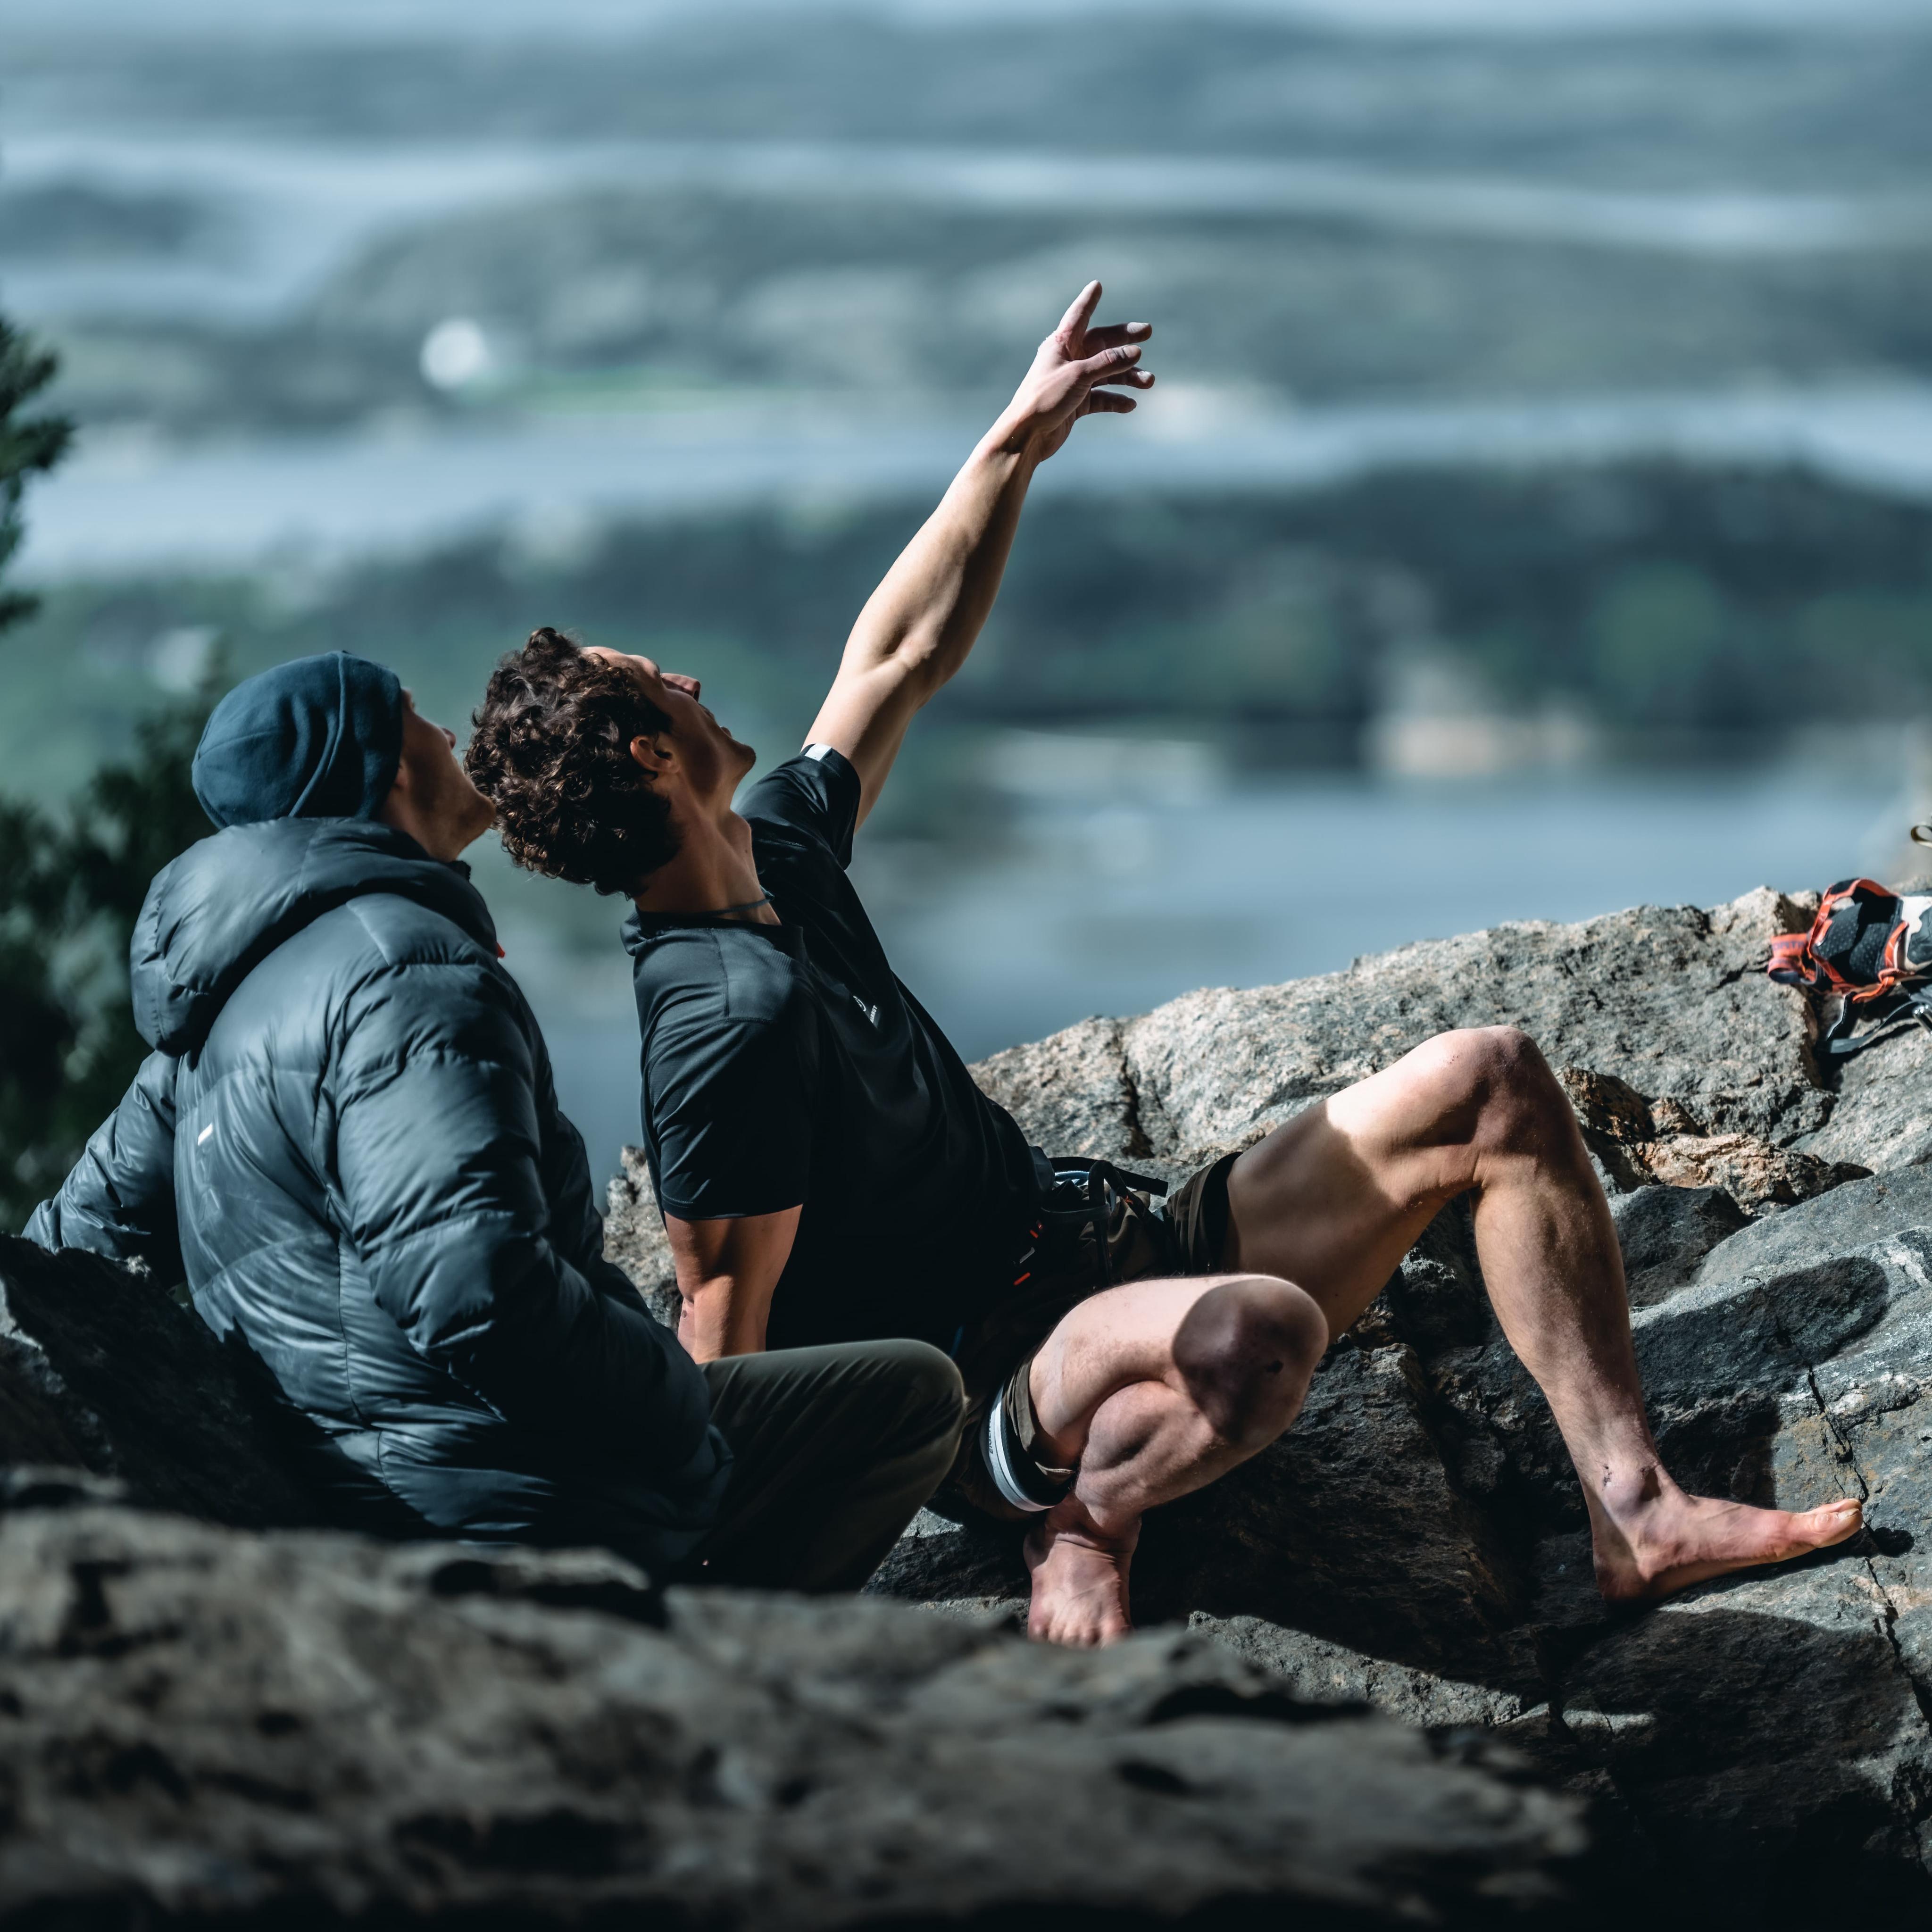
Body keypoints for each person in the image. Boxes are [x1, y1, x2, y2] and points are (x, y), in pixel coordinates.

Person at [465, 283, 1865, 1646]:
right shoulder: (718, 1022)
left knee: (1490, 1081)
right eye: (660, 681)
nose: (691, 681)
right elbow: (727, 1356)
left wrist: (1015, 441)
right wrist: (707, 1640)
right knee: (1256, 1337)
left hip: (1106, 1243)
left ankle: (1637, 1513)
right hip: (1003, 1389)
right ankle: (1084, 1514)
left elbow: (896, 654)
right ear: (652, 753)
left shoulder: (778, 851)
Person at [25, 651, 963, 1591]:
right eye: (414, 713)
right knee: (914, 1397)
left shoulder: (201, 1036)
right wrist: (670, 1396)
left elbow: (58, 1248)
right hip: (517, 1504)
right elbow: (472, 1288)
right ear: (389, 765)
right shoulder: (403, 969)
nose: (445, 732)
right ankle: (703, 1651)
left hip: (362, 1497)